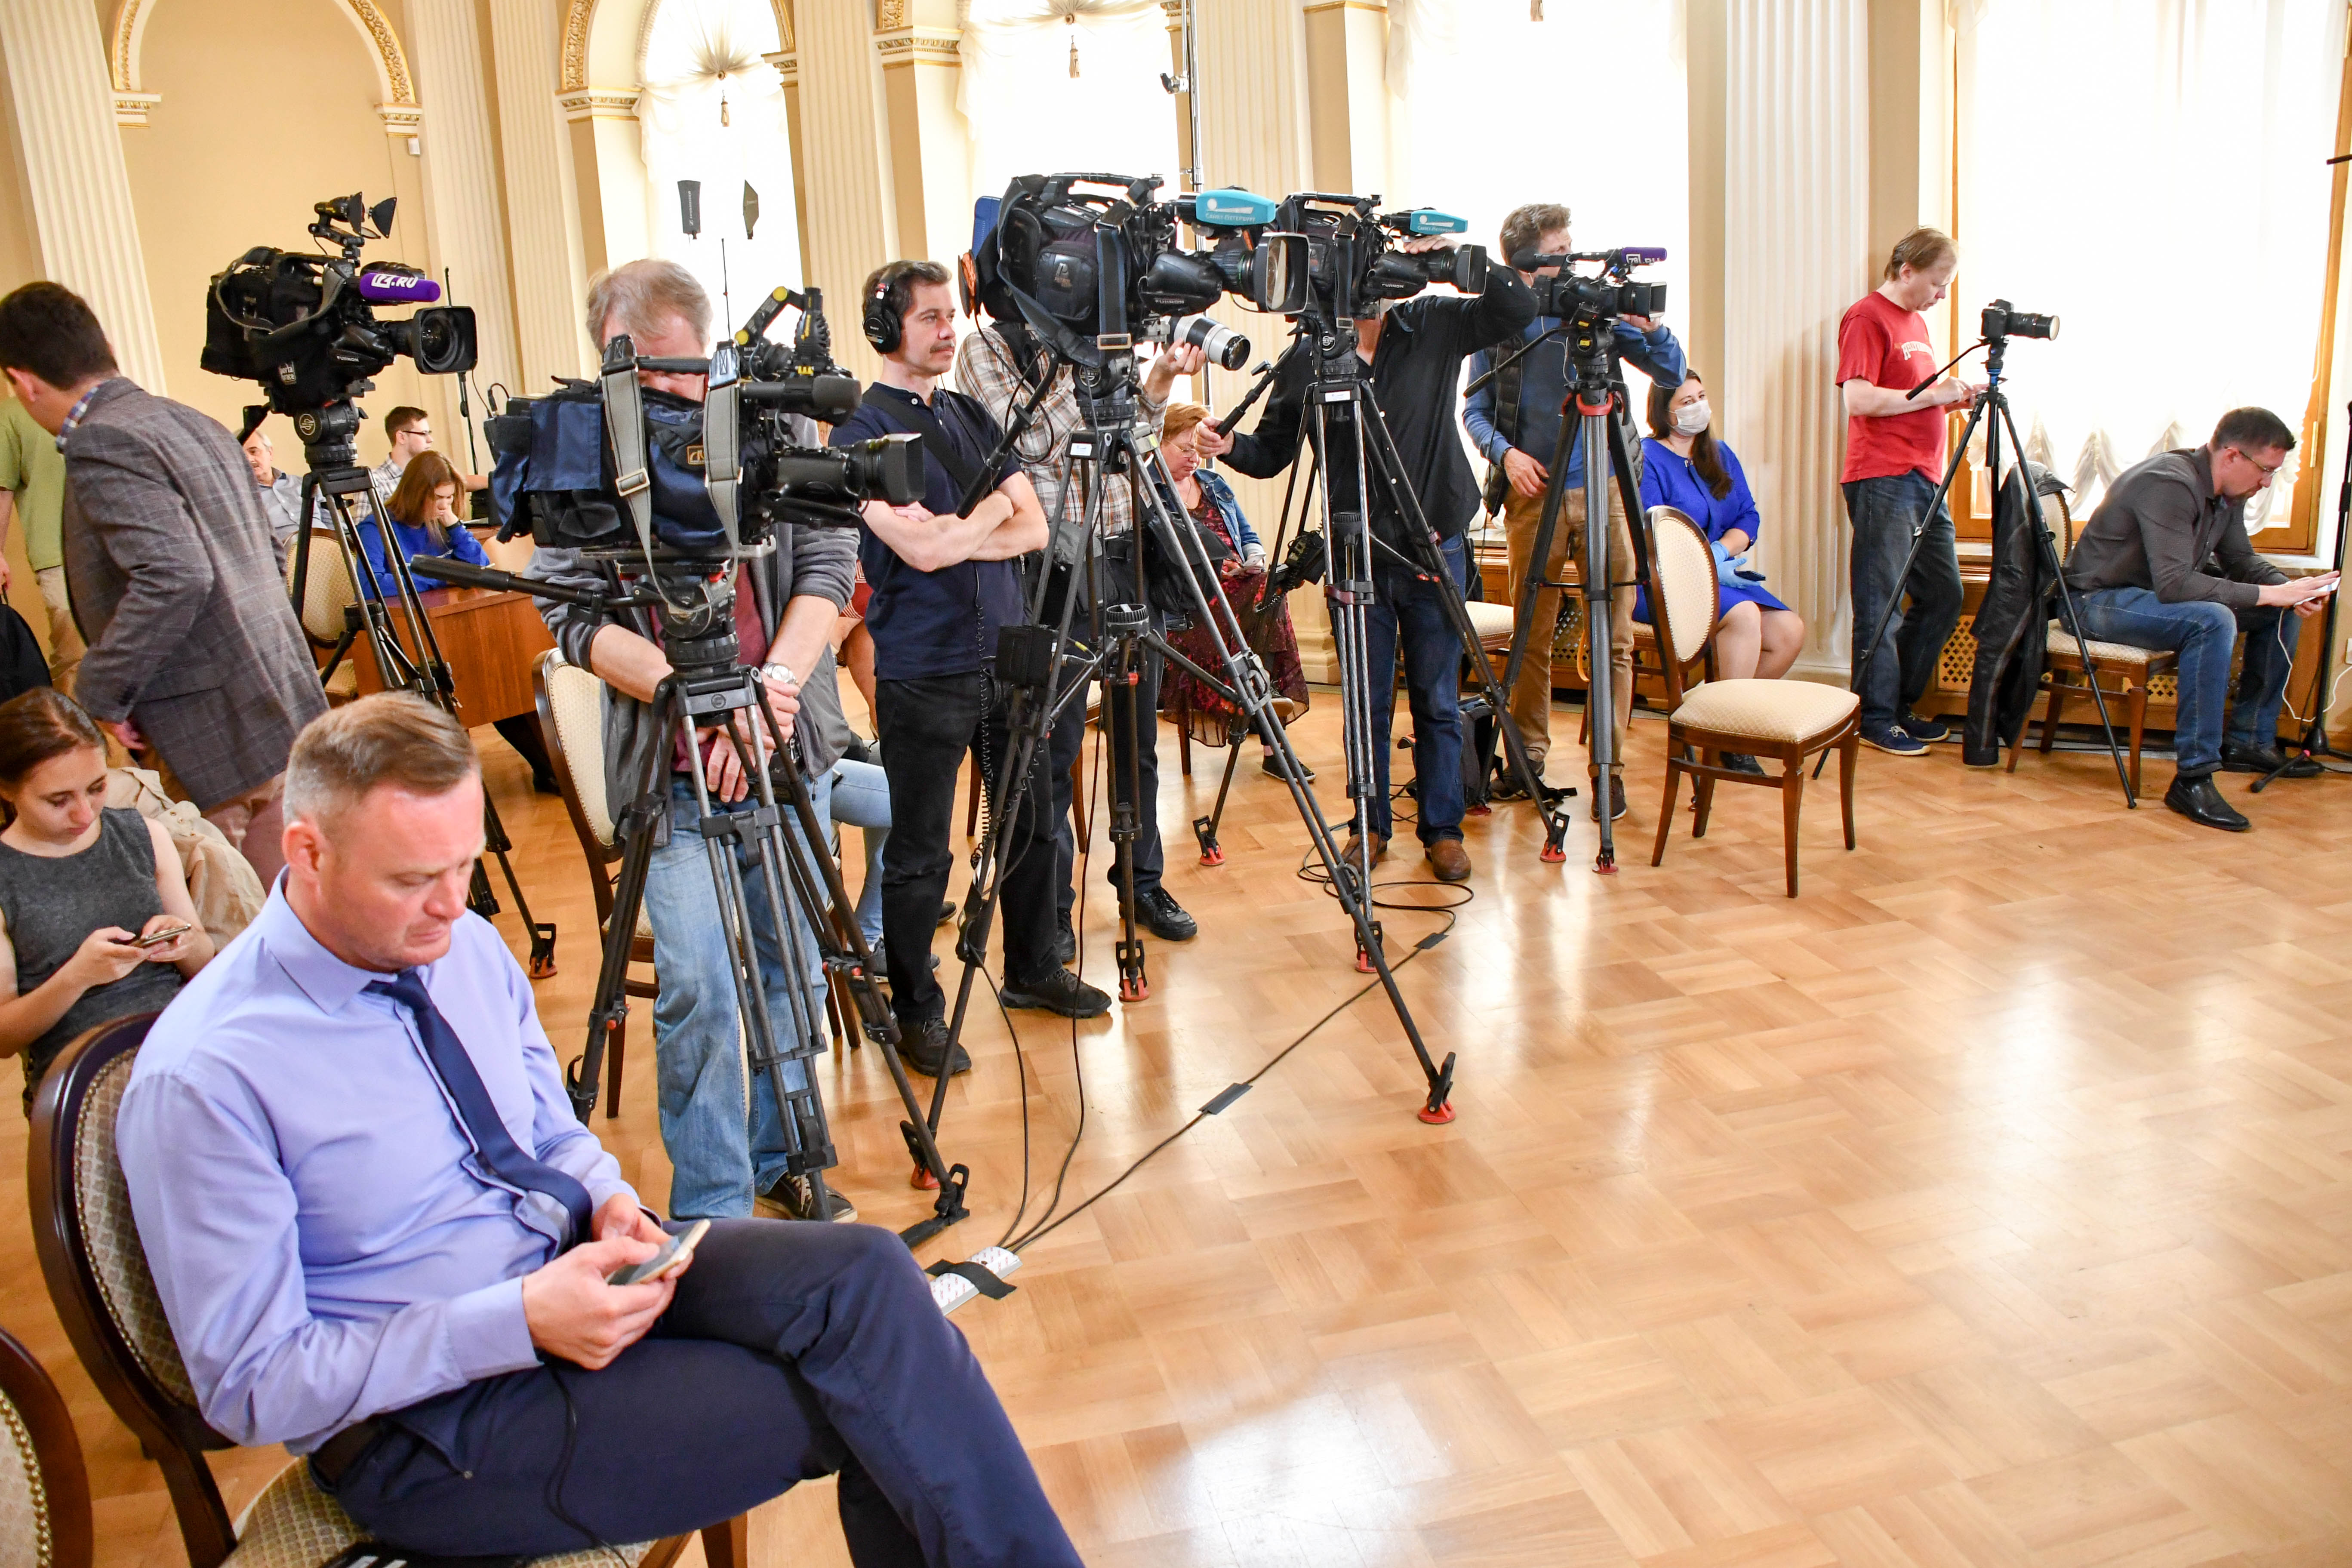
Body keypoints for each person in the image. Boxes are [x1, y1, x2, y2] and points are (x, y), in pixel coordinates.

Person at [117, 693, 1082, 1564]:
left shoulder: (462, 945)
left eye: (464, 865)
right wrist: (517, 1318)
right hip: (428, 1425)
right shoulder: (208, 1074)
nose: (452, 906)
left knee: (867, 1278)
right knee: (871, 1394)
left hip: (574, 1273)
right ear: (306, 853)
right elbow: (250, 1386)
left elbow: (549, 1131)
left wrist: (607, 1196)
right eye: (413, 878)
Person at [529, 259, 865, 1222]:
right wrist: (698, 702)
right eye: (642, 373)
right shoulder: (582, 443)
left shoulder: (768, 415)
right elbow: (569, 612)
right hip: (670, 772)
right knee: (702, 991)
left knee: (791, 968)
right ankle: (714, 1207)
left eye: (680, 368)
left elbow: (829, 561)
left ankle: (784, 1158)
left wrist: (768, 694)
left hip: (782, 748)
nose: (668, 392)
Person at [831, 259, 1109, 1046]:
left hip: (1009, 655)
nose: (948, 330)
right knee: (921, 850)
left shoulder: (972, 415)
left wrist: (960, 527)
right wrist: (986, 516)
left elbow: (1034, 527)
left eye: (951, 315)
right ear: (885, 328)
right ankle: (916, 1009)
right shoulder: (857, 436)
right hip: (924, 666)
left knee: (1032, 823)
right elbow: (919, 554)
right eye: (929, 317)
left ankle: (1033, 966)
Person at [1216, 237, 1536, 882]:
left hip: (1433, 543)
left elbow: (1516, 308)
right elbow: (1273, 452)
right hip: (1355, 553)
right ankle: (1369, 826)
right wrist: (1225, 446)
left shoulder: (1435, 323)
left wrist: (1453, 257)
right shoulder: (1309, 355)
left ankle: (1443, 830)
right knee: (1365, 702)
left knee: (1437, 699)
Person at [0, 282, 328, 887]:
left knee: (250, 916)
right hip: (278, 697)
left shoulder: (103, 438)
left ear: (22, 382)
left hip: (213, 724)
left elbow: (175, 576)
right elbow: (263, 555)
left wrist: (102, 691)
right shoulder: (192, 421)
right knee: (300, 898)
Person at [955, 305, 1204, 951]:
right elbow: (1035, 438)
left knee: (1137, 744)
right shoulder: (988, 348)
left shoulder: (1097, 343)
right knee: (1053, 751)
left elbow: (1132, 435)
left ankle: (1141, 882)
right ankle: (1053, 908)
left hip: (1127, 559)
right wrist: (1084, 359)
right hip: (1053, 571)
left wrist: (1155, 383)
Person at [1464, 202, 1688, 819]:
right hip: (1531, 493)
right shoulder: (1500, 319)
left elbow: (1670, 370)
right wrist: (1506, 455)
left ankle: (1607, 769)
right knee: (1532, 634)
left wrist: (1650, 327)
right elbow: (1474, 409)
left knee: (1612, 637)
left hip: (1608, 486)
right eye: (1556, 252)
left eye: (1570, 249)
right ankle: (1527, 759)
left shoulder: (1594, 307)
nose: (1569, 262)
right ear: (1524, 258)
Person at [2062, 407, 2339, 831]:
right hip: (2095, 602)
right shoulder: (2168, 483)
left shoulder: (2227, 494)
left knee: (2276, 609)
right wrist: (2272, 594)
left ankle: (2249, 740)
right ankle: (2192, 778)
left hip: (2147, 598)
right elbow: (2176, 584)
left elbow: (2240, 559)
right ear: (2232, 456)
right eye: (2265, 470)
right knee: (2212, 620)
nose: (2267, 482)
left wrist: (2290, 591)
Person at [0, 687, 210, 1110]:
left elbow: (205, 963)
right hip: (85, 1077)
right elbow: (5, 1037)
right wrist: (77, 976)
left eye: (97, 788)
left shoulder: (144, 835)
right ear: (8, 790)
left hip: (182, 1046)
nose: (84, 813)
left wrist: (184, 942)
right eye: (59, 800)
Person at [1836, 227, 1979, 757]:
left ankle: (1898, 704)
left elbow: (1910, 399)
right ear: (1906, 271)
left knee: (1943, 595)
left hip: (1925, 479)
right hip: (1883, 478)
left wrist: (1952, 400)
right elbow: (1858, 400)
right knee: (1881, 603)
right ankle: (1873, 718)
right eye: (1938, 283)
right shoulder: (1866, 317)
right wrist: (1933, 395)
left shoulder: (1916, 324)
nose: (1941, 295)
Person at [1638, 373, 1806, 774]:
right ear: (1664, 411)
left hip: (1716, 575)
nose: (1698, 406)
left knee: (1789, 631)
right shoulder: (1647, 457)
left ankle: (1709, 714)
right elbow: (1653, 533)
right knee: (1745, 616)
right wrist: (1700, 559)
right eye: (1686, 401)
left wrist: (1721, 551)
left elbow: (1748, 515)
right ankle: (1731, 739)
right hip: (1663, 582)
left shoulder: (1719, 453)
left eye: (1701, 396)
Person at [1155, 402, 1311, 778]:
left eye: (1198, 450)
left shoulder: (1214, 484)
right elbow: (1159, 564)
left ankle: (1265, 715)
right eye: (1185, 448)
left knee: (1269, 588)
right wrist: (1212, 568)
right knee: (1266, 596)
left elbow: (1249, 536)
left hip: (1240, 595)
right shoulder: (1148, 492)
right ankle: (1272, 732)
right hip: (1191, 610)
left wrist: (1254, 558)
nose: (1194, 458)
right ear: (1159, 441)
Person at [0, 391, 85, 694]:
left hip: (125, 550)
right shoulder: (12, 414)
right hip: (58, 556)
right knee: (75, 661)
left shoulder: (102, 400)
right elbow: (2, 489)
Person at [356, 450, 493, 595]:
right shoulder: (375, 528)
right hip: (404, 609)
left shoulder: (444, 523)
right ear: (415, 495)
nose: (444, 506)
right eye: (438, 497)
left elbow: (480, 571)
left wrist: (456, 528)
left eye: (449, 497)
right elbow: (370, 586)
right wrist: (441, 580)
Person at [374, 404, 486, 498]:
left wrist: (494, 481)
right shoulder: (376, 483)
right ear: (402, 437)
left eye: (429, 433)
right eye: (423, 434)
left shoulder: (428, 472)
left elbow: (461, 482)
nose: (430, 440)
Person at [241, 427, 307, 551]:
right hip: (287, 556)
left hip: (328, 550)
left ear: (270, 453)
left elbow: (333, 521)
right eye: (242, 456)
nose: (249, 460)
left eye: (254, 452)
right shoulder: (244, 498)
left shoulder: (304, 484)